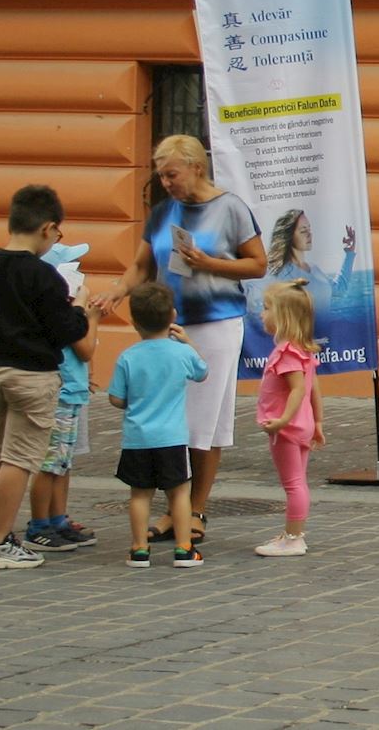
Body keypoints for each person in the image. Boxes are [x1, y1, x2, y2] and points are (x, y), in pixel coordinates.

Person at [94, 135, 266, 544]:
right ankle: (177, 508)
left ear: (196, 168)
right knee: (171, 419)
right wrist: (117, 291)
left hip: (214, 324)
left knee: (203, 423)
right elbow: (141, 265)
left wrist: (208, 264)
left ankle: (194, 510)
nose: (166, 183)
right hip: (165, 327)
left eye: (171, 174)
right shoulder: (162, 213)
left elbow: (258, 264)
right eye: (161, 176)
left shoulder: (230, 208)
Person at [0, 185, 98, 569]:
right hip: (30, 375)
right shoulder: (42, 276)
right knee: (19, 459)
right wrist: (80, 309)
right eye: (57, 234)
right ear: (47, 228)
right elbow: (65, 331)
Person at [108, 282, 209, 568]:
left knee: (140, 494)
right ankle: (183, 548)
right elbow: (203, 373)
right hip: (172, 438)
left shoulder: (128, 356)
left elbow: (116, 398)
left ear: (134, 322)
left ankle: (139, 549)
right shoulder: (181, 353)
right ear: (173, 316)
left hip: (137, 438)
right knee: (179, 492)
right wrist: (188, 342)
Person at [23, 242, 101, 553]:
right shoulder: (64, 312)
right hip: (62, 394)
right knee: (50, 463)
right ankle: (39, 524)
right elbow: (84, 347)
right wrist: (89, 314)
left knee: (63, 463)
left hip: (73, 391)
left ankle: (58, 518)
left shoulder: (64, 309)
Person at [254, 279, 325, 557]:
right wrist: (318, 422)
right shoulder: (301, 350)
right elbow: (313, 389)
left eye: (266, 308)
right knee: (298, 481)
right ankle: (293, 532)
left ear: (282, 316)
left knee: (293, 484)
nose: (262, 314)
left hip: (288, 428)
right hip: (303, 425)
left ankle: (294, 537)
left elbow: (298, 390)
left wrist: (282, 420)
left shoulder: (286, 353)